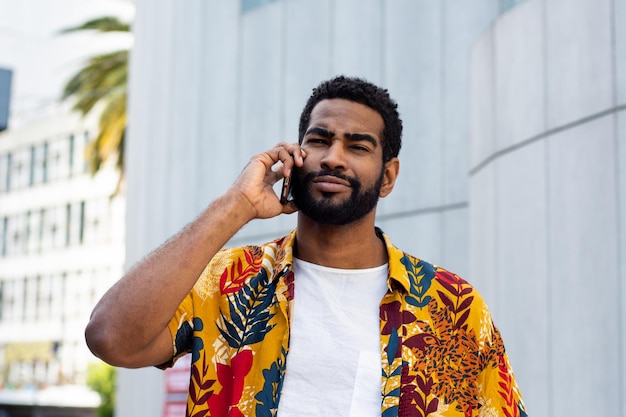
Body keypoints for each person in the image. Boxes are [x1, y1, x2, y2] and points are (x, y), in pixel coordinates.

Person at [85, 76, 527, 417]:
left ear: (388, 176)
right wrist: (235, 206)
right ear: (296, 156)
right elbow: (111, 338)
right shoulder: (230, 281)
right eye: (319, 140)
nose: (334, 156)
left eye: (357, 146)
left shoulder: (453, 306)